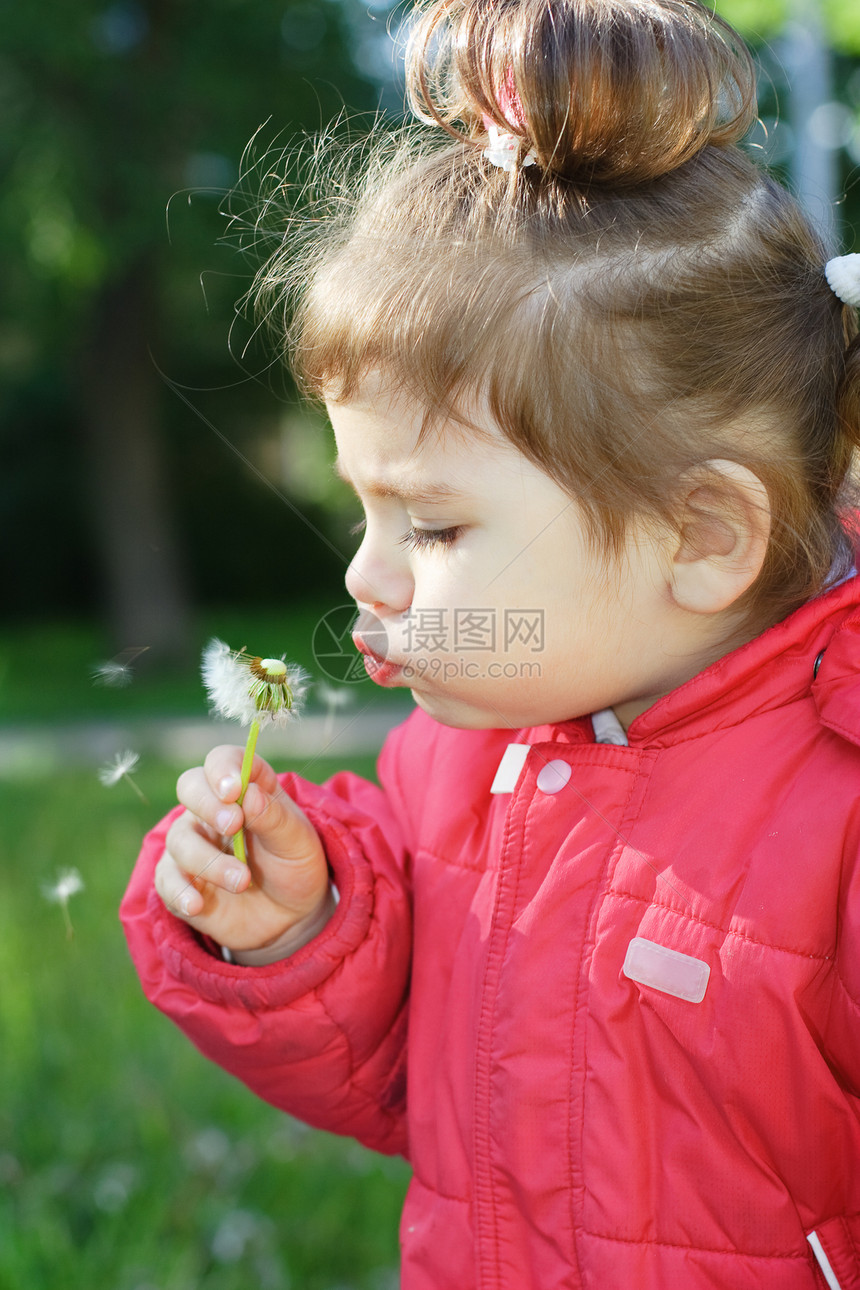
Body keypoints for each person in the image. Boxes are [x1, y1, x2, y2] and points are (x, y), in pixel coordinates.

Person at [121, 0, 860, 1285]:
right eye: (366, 509)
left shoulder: (835, 820)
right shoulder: (449, 776)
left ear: (700, 535)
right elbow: (411, 1082)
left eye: (438, 527)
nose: (368, 574)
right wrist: (298, 938)